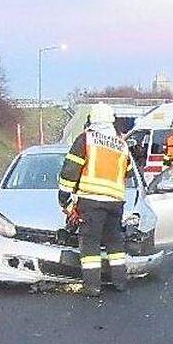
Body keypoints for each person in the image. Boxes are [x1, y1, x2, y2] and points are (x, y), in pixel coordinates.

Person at [58, 103, 134, 297]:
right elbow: (129, 172)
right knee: (115, 243)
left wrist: (64, 195)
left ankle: (92, 286)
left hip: (91, 200)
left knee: (90, 242)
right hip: (116, 201)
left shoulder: (86, 139)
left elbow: (70, 169)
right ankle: (120, 282)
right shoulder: (121, 144)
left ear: (92, 119)